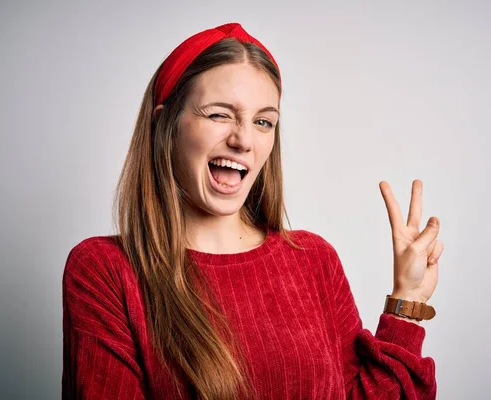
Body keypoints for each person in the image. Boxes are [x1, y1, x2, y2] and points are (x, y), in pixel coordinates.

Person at [62, 22, 444, 400]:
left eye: (263, 122)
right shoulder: (106, 270)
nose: (243, 139)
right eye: (218, 114)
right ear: (165, 124)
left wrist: (407, 301)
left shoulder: (315, 260)